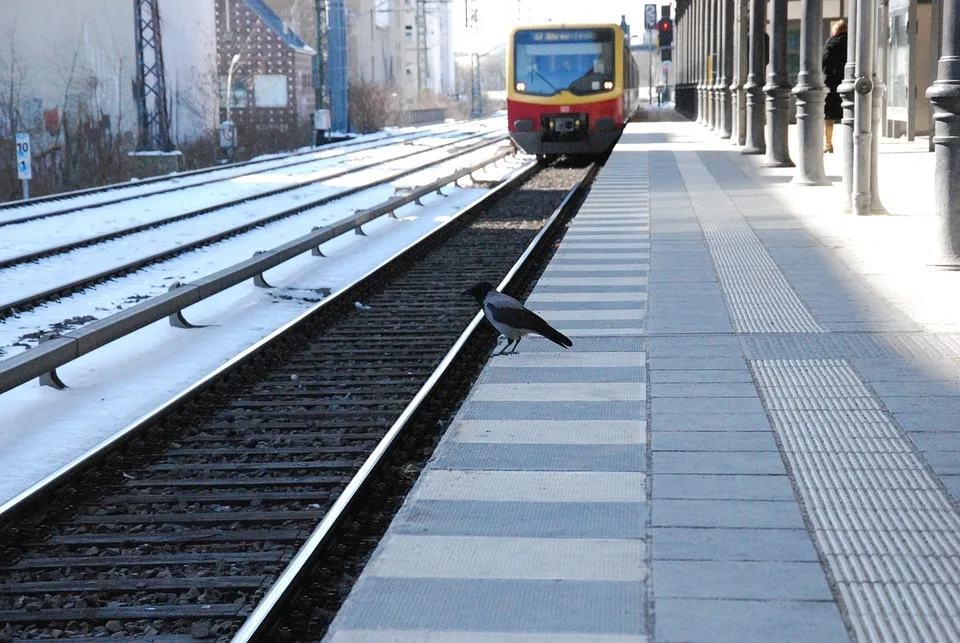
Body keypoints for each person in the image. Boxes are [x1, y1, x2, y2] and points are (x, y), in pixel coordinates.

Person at [822, 19, 848, 153]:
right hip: (848, 81)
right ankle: (851, 143)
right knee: (851, 112)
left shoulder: (830, 44)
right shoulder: (852, 44)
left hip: (832, 82)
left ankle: (828, 144)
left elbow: (824, 62)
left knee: (829, 115)